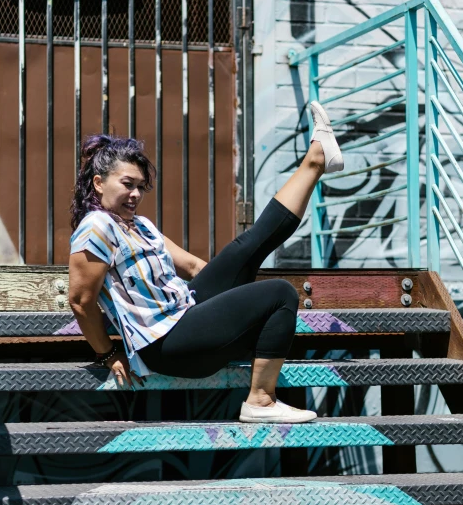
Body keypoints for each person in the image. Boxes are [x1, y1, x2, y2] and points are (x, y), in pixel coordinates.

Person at [68, 101, 343, 424]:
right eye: (127, 184)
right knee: (280, 294)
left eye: (141, 187)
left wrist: (238, 307)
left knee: (246, 247)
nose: (136, 194)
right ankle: (261, 400)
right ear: (99, 183)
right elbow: (81, 301)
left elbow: (196, 269)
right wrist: (107, 352)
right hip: (167, 345)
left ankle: (315, 161)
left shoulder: (140, 226)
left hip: (186, 318)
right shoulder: (96, 227)